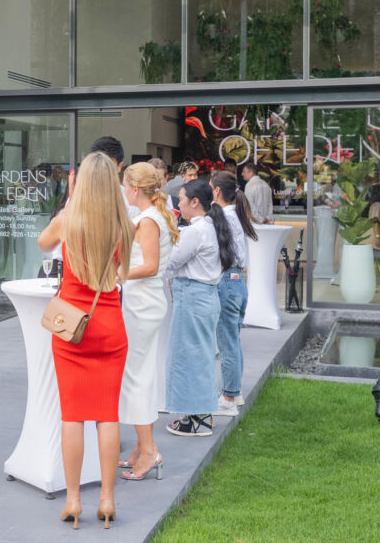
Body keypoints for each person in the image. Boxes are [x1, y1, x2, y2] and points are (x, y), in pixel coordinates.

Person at [37, 152, 134, 530]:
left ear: (79, 184)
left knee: (72, 415)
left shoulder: (67, 220)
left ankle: (74, 500)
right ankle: (107, 500)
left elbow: (43, 245)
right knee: (107, 415)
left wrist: (70, 199)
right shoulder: (122, 224)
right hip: (109, 324)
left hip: (72, 329)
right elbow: (122, 271)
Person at [117, 163, 178, 481]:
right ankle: (142, 448)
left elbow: (151, 266)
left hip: (143, 307)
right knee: (139, 376)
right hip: (143, 304)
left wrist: (117, 274)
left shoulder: (148, 220)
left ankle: (150, 450)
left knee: (137, 378)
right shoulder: (151, 216)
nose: (123, 190)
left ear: (135, 189)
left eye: (125, 185)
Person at [163, 179, 233, 437]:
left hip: (193, 297)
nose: (178, 204)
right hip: (203, 297)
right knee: (199, 357)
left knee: (189, 358)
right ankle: (200, 415)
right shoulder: (210, 226)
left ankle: (198, 419)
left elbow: (170, 262)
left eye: (181, 199)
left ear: (194, 202)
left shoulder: (196, 231)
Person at [209, 171, 258, 417]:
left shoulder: (223, 216)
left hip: (227, 281)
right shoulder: (237, 214)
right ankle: (234, 392)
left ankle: (228, 396)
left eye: (210, 187)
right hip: (238, 281)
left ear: (216, 190)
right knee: (233, 340)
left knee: (227, 343)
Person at [90, 135, 140, 220]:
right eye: (97, 164)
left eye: (108, 165)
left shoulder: (129, 198)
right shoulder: (79, 196)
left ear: (119, 166)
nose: (102, 170)